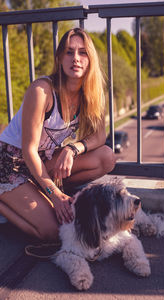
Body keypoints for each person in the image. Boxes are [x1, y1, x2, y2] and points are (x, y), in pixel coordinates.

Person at [0, 27, 116, 244]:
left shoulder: (90, 93)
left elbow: (100, 137)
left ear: (90, 59)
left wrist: (73, 149)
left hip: (42, 163)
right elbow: (29, 150)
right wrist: (54, 194)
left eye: (83, 52)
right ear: (60, 58)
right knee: (53, 232)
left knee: (106, 157)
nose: (76, 59)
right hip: (10, 164)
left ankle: (40, 192)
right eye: (69, 52)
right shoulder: (42, 91)